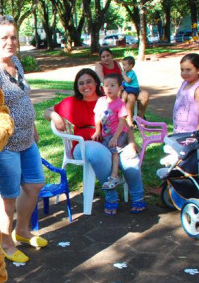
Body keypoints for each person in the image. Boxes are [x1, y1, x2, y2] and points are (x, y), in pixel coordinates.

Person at [0, 15, 47, 264]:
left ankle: (23, 231)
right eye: (4, 37)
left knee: (35, 184)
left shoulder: (15, 61)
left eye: (14, 37)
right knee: (8, 195)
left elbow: (23, 97)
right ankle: (5, 243)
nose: (10, 42)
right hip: (5, 144)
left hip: (27, 138)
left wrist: (32, 125)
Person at [45, 69, 146, 215]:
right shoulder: (72, 102)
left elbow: (123, 123)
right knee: (97, 152)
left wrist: (131, 143)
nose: (85, 86)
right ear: (77, 86)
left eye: (89, 82)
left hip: (112, 141)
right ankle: (111, 196)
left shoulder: (109, 100)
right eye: (81, 83)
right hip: (83, 145)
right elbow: (47, 111)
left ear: (97, 83)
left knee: (130, 158)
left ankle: (137, 197)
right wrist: (55, 115)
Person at [93, 73, 129, 190]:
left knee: (114, 151)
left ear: (120, 87)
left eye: (112, 85)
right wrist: (98, 130)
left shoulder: (120, 103)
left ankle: (114, 176)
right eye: (106, 85)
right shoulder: (101, 101)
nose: (109, 88)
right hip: (106, 134)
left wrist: (115, 137)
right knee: (104, 152)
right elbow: (97, 116)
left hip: (119, 133)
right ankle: (105, 175)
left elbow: (122, 122)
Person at [173, 53, 199, 133]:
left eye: (188, 70)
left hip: (191, 133)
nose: (184, 73)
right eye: (182, 70)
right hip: (178, 131)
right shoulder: (184, 84)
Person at [120, 56, 149, 127]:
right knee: (125, 92)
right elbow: (124, 82)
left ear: (131, 66)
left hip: (133, 88)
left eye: (124, 65)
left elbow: (128, 81)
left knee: (125, 92)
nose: (123, 67)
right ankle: (129, 119)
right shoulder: (127, 72)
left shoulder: (131, 73)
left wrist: (123, 75)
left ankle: (122, 102)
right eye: (122, 65)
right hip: (129, 87)